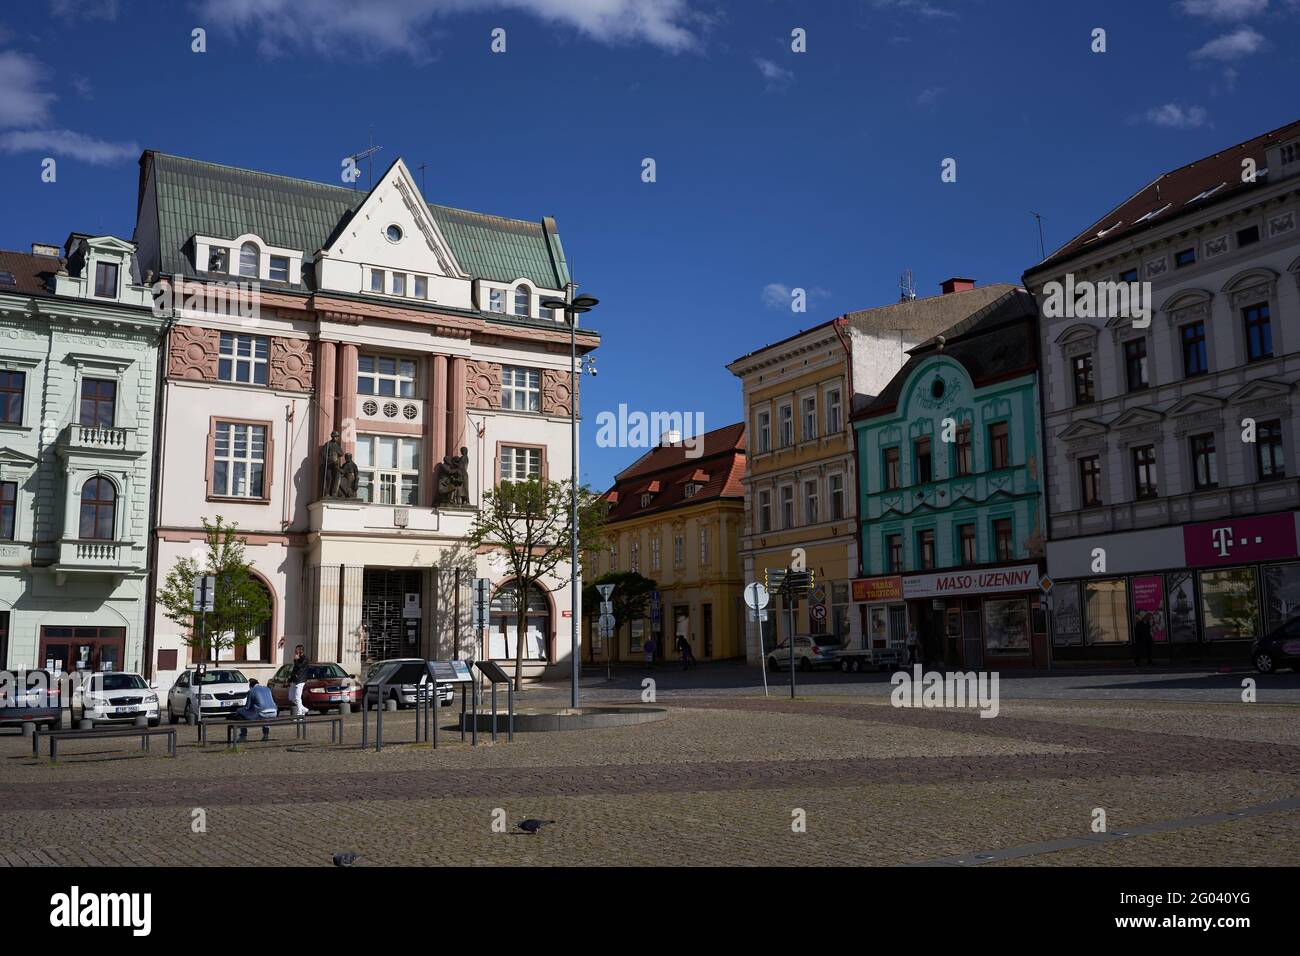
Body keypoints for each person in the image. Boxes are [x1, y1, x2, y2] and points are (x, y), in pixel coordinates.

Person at [288, 644, 309, 716]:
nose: (294, 651)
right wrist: (290, 680)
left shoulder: (305, 659)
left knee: (297, 697)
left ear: (300, 651)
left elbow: (300, 667)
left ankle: (300, 714)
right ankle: (303, 709)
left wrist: (295, 660)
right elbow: (294, 670)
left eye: (296, 649)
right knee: (291, 697)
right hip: (294, 680)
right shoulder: (298, 658)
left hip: (300, 680)